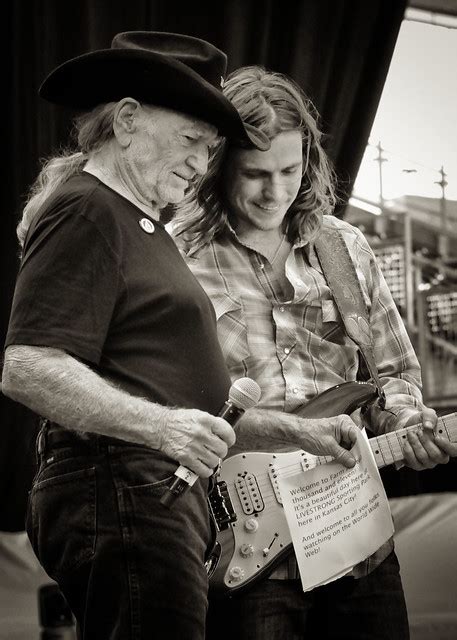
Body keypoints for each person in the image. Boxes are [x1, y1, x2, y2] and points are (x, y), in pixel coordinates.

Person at [1, 34, 361, 640]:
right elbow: (28, 366)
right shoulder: (89, 207)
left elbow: (189, 406)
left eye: (212, 147)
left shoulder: (137, 222)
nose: (202, 162)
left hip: (149, 499)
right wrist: (163, 429)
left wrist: (302, 432)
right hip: (121, 493)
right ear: (128, 121)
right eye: (192, 139)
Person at [173, 65, 457, 640]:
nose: (275, 193)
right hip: (246, 551)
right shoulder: (179, 253)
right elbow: (167, 402)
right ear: (218, 163)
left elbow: (393, 374)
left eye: (290, 169)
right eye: (255, 173)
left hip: (361, 542)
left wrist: (408, 421)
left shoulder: (343, 246)